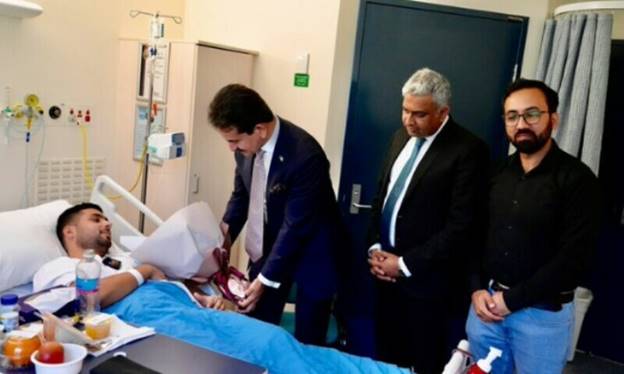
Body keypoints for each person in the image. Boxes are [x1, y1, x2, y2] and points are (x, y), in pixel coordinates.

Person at [466, 79, 602, 373]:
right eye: (512, 116)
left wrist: (511, 301)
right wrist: (476, 289)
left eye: (532, 114)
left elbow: (574, 259)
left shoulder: (578, 180)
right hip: (486, 309)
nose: (521, 123)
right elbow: (475, 236)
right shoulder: (496, 173)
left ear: (553, 118)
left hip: (542, 317)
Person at [367, 68, 488, 373]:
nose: (409, 120)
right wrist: (375, 249)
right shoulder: (400, 137)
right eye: (405, 110)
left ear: (443, 111)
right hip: (385, 278)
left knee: (422, 363)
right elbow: (382, 197)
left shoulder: (468, 151)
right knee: (386, 359)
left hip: (428, 287)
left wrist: (405, 264)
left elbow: (461, 226)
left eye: (419, 114)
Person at [209, 83, 340, 345]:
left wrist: (264, 279)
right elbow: (242, 196)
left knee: (306, 344)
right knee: (255, 329)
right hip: (270, 248)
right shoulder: (246, 150)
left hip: (313, 255)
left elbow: (295, 227)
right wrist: (224, 236)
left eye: (234, 141)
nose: (231, 149)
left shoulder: (305, 156)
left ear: (260, 129)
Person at [33, 203, 227, 310]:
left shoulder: (131, 259)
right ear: (69, 232)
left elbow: (169, 288)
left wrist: (200, 299)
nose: (108, 224)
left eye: (107, 219)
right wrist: (144, 271)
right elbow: (84, 299)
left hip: (188, 314)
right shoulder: (58, 267)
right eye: (96, 219)